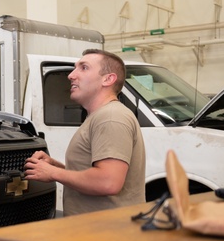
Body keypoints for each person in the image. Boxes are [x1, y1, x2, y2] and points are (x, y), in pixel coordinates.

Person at [24, 49, 145, 216]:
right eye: (75, 68)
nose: (71, 75)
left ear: (108, 79)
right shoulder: (99, 117)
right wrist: (56, 166)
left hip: (105, 234)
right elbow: (94, 174)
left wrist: (53, 173)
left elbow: (108, 182)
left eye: (84, 68)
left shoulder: (110, 117)